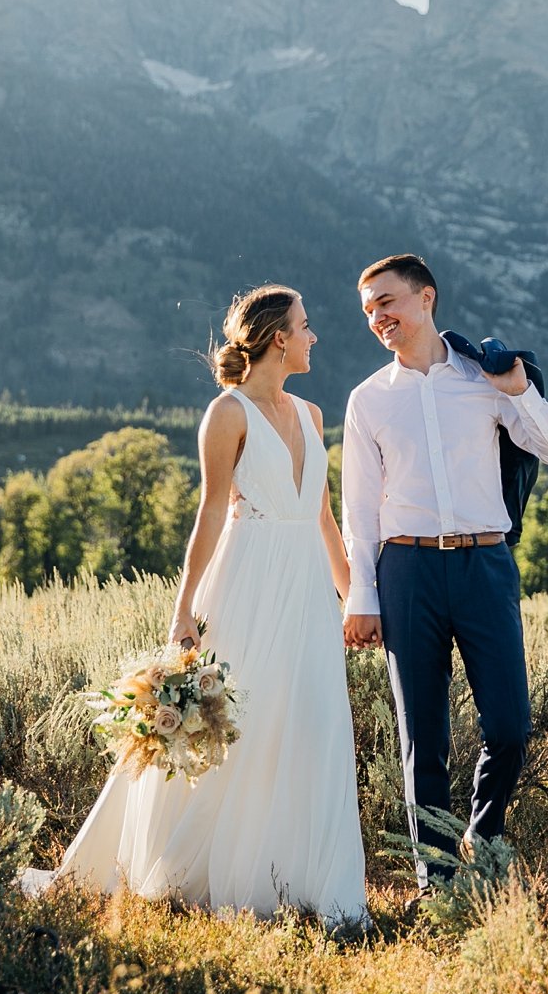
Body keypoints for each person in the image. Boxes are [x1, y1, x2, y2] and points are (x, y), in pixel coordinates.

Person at [29, 284, 368, 929]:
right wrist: (183, 609)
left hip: (305, 591)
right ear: (278, 339)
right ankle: (199, 872)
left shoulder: (312, 415)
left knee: (311, 724)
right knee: (236, 726)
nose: (313, 336)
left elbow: (323, 515)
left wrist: (354, 593)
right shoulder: (228, 414)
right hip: (246, 583)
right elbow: (211, 514)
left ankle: (309, 881)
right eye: (305, 326)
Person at [339, 254, 548, 889]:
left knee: (510, 724)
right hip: (407, 569)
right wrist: (360, 594)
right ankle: (435, 879)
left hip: (485, 564)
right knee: (424, 738)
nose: (378, 319)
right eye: (368, 311)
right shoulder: (367, 401)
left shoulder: (483, 378)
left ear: (425, 298)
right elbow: (358, 510)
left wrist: (517, 388)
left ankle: (483, 831)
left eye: (386, 303)